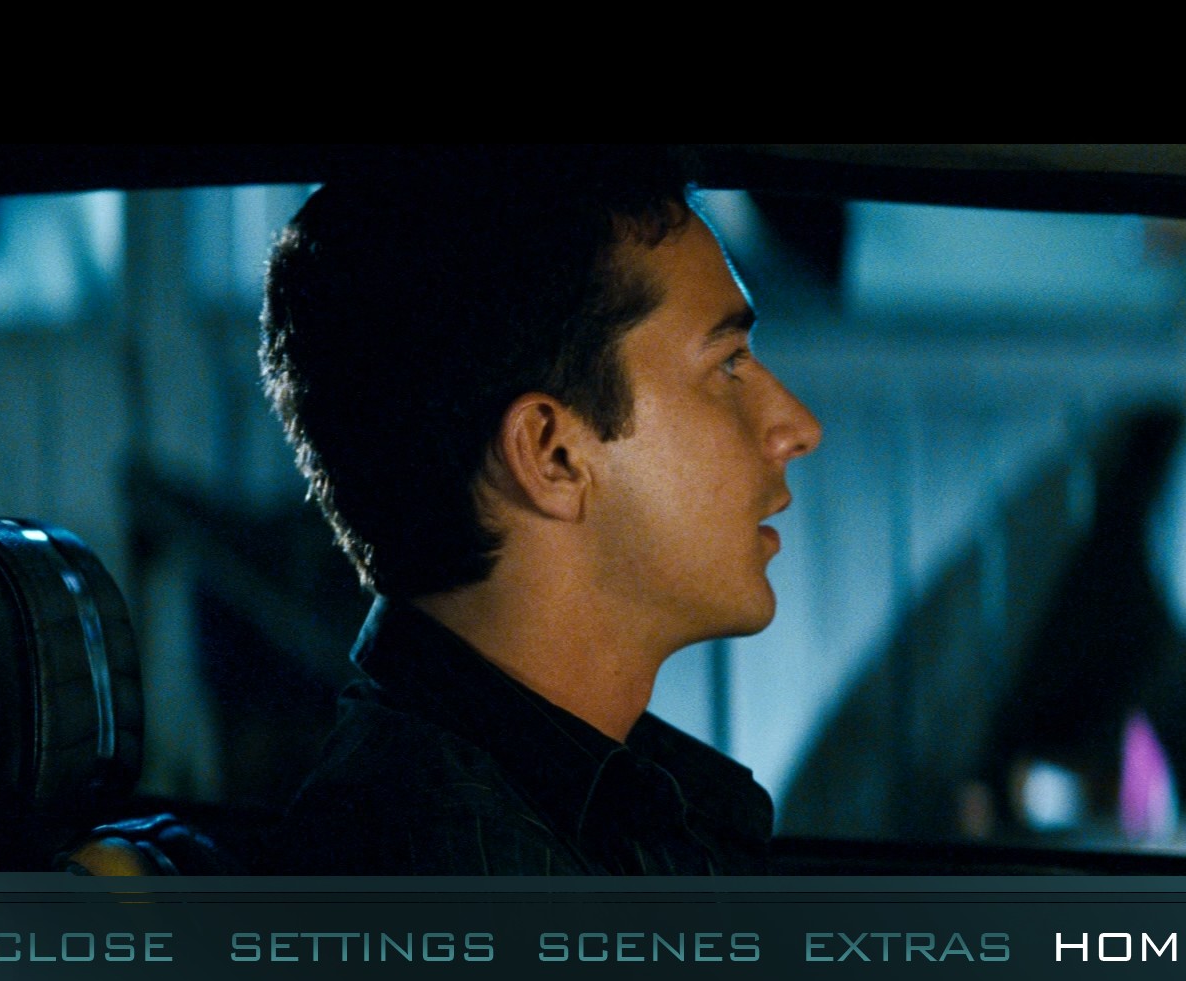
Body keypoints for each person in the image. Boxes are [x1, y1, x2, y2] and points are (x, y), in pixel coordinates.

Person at [258, 148, 822, 874]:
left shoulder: (590, 807)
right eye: (727, 365)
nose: (797, 427)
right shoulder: (467, 871)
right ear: (552, 454)